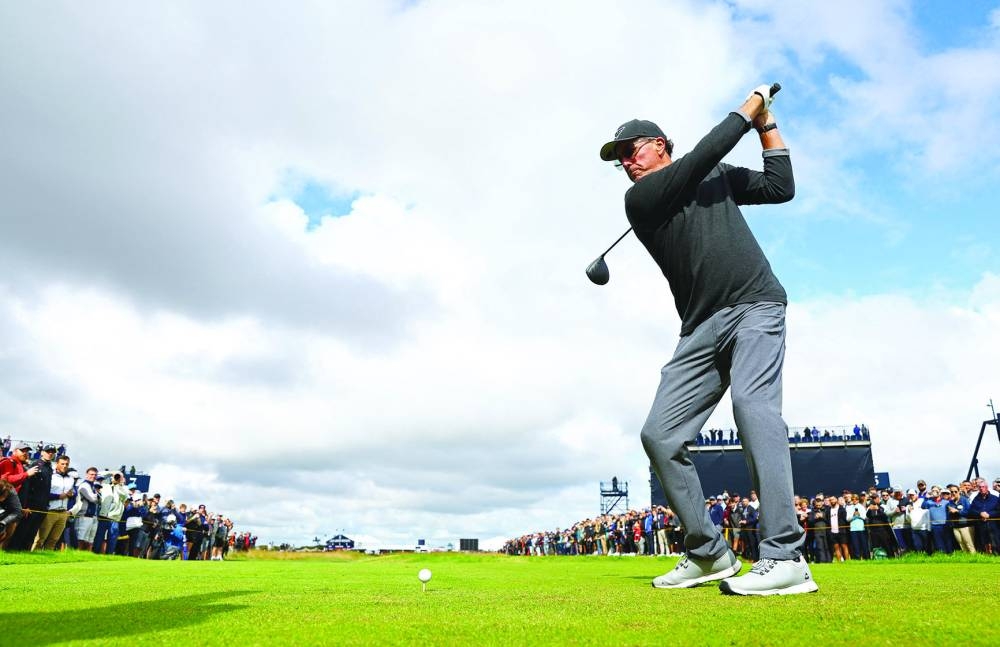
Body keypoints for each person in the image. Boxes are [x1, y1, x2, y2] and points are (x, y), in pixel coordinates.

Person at [598, 84, 815, 595]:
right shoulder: (641, 198)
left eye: (631, 150)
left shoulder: (709, 176)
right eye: (620, 159)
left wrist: (766, 125)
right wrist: (751, 103)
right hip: (698, 329)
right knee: (660, 435)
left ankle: (786, 557)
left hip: (755, 305)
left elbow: (779, 186)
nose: (627, 163)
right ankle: (708, 552)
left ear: (658, 144)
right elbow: (705, 154)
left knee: (753, 408)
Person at [33, 454, 74, 551]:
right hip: (50, 511)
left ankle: (47, 561)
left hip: (63, 512)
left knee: (54, 540)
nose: (65, 466)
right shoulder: (51, 476)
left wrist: (72, 494)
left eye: (67, 464)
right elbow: (44, 493)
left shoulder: (71, 479)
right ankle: (33, 559)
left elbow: (72, 493)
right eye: (62, 464)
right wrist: (58, 496)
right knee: (40, 539)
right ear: (57, 464)